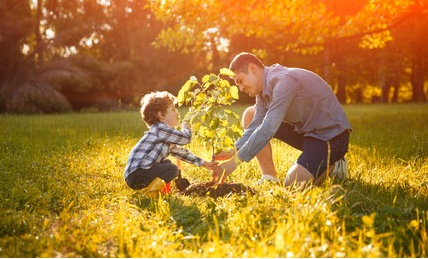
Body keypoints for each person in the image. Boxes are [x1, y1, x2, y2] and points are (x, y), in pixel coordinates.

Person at [213, 52, 352, 188]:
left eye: (240, 81)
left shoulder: (284, 80)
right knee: (251, 114)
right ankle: (269, 177)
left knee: (293, 184)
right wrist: (234, 150)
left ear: (252, 68)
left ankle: (335, 166)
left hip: (331, 138)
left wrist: (234, 162)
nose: (241, 88)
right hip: (307, 133)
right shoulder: (261, 93)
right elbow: (255, 126)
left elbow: (268, 128)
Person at [124, 91, 217, 196]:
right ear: (161, 115)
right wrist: (185, 127)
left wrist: (204, 163)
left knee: (167, 164)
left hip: (136, 174)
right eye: (173, 110)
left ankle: (162, 191)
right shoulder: (160, 128)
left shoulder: (163, 134)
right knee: (172, 169)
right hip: (137, 174)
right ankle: (152, 194)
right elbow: (185, 138)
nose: (177, 113)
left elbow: (180, 153)